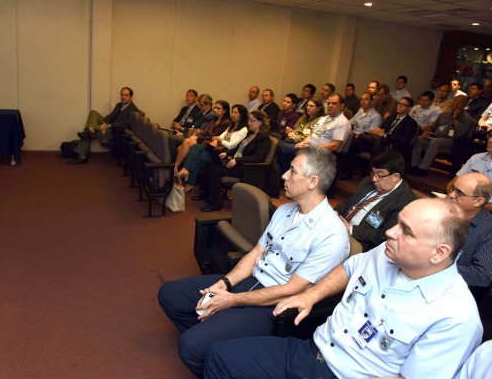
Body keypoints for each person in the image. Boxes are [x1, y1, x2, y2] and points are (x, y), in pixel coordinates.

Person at [204, 198, 483, 379]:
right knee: (218, 357)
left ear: (439, 253)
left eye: (406, 231)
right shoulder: (386, 253)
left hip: (345, 375)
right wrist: (310, 294)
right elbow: (348, 268)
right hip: (310, 350)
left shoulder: (456, 317)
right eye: (397, 222)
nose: (390, 232)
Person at [158, 147, 349, 376]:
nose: (284, 176)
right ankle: (214, 341)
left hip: (271, 305)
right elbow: (256, 253)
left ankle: (215, 355)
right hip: (248, 282)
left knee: (189, 347)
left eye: (292, 171)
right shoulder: (285, 211)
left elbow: (292, 289)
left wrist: (231, 300)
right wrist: (225, 284)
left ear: (312, 181)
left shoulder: (331, 234)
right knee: (169, 294)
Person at [192, 110, 272, 212]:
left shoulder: (264, 138)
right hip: (238, 163)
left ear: (260, 122)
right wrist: (227, 153)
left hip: (246, 168)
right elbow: (239, 148)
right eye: (249, 120)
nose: (249, 123)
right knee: (208, 164)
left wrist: (237, 160)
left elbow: (258, 157)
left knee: (215, 170)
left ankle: (215, 202)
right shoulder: (251, 134)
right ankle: (204, 193)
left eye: (252, 121)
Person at [335, 150, 415, 251]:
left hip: (360, 243)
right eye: (373, 174)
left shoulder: (405, 203)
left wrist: (351, 229)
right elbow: (348, 203)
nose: (374, 179)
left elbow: (383, 236)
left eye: (379, 175)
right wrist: (334, 214)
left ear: (395, 177)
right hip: (339, 228)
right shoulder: (367, 182)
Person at [448, 173, 492, 302]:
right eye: (453, 189)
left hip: (456, 298)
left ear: (478, 201)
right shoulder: (444, 213)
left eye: (459, 193)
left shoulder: (489, 230)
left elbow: (483, 275)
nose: (451, 195)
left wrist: (436, 269)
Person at [69, 87, 139, 164]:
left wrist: (108, 126)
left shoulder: (133, 109)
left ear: (131, 97)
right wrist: (104, 124)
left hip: (114, 131)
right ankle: (91, 130)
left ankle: (82, 155)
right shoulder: (119, 105)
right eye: (122, 95)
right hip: (109, 125)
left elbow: (124, 124)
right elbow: (111, 116)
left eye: (126, 95)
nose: (123, 97)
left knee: (86, 132)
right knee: (93, 113)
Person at [410, 95, 475, 177]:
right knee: (419, 139)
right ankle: (414, 165)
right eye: (455, 101)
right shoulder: (445, 114)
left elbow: (461, 133)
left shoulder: (467, 119)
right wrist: (427, 131)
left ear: (465, 105)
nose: (457, 104)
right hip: (436, 136)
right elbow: (433, 126)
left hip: (453, 141)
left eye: (460, 103)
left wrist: (455, 119)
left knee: (435, 142)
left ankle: (422, 168)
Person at [175, 100, 232, 183]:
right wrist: (197, 137)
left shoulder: (226, 122)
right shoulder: (214, 120)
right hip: (204, 141)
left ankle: (176, 168)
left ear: (225, 111)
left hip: (210, 145)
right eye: (215, 108)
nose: (215, 110)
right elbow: (204, 132)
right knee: (181, 147)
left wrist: (198, 138)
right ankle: (184, 172)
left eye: (218, 108)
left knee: (187, 142)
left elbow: (214, 137)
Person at [276, 99, 324, 178]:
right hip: (292, 141)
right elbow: (296, 129)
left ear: (318, 108)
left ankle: (284, 175)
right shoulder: (304, 117)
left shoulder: (320, 120)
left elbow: (311, 137)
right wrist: (291, 132)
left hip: (305, 146)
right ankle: (283, 174)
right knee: (276, 144)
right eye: (307, 105)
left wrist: (295, 137)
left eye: (311, 106)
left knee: (280, 147)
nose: (308, 107)